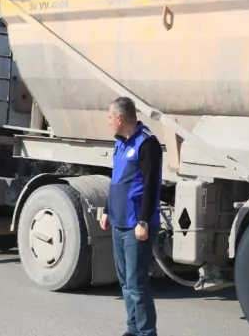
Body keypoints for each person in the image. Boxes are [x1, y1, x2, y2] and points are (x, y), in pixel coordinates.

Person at [99, 97, 163, 336]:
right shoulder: (121, 142)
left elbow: (151, 185)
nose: (108, 123)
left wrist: (144, 221)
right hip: (118, 222)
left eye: (109, 118)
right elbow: (116, 180)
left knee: (137, 285)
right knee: (125, 283)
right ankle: (133, 329)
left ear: (119, 119)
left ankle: (147, 332)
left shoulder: (147, 144)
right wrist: (107, 210)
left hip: (136, 225)